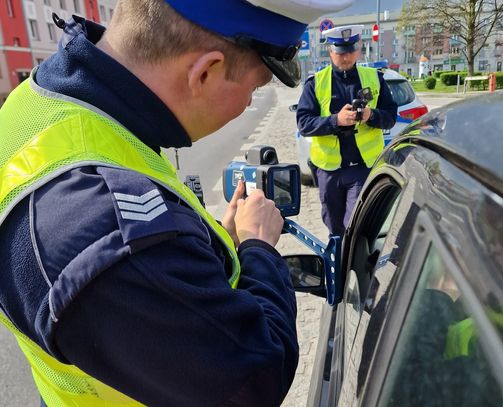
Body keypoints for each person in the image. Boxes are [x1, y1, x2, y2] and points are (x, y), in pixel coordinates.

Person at [0, 1, 353, 406]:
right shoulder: (110, 235)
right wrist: (258, 247)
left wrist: (209, 238)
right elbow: (255, 379)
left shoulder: (41, 101)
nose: (246, 105)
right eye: (255, 88)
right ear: (205, 71)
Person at [296, 25, 398, 236]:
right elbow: (304, 123)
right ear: (331, 52)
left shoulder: (374, 78)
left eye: (351, 51)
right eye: (341, 52)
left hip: (362, 168)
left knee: (355, 225)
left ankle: (353, 262)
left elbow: (389, 117)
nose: (346, 57)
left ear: (359, 49)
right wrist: (336, 120)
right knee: (334, 226)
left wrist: (371, 116)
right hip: (328, 171)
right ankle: (337, 261)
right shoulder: (316, 83)